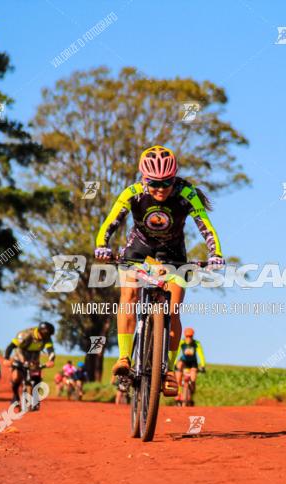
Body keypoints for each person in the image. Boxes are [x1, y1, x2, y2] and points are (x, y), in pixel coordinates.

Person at [94, 145, 224, 395]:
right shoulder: (132, 193)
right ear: (144, 178)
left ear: (174, 178)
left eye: (166, 183)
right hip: (139, 249)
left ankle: (168, 371)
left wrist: (215, 254)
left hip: (173, 253)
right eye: (154, 183)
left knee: (173, 309)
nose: (160, 189)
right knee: (129, 296)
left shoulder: (186, 194)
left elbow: (205, 226)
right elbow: (110, 222)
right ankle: (123, 358)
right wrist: (102, 246)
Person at [4, 322, 56, 409]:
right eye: (45, 336)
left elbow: (50, 350)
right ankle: (16, 396)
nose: (46, 338)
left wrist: (51, 360)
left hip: (34, 358)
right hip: (20, 356)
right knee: (16, 377)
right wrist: (6, 358)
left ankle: (35, 398)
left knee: (36, 376)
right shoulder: (25, 334)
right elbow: (11, 346)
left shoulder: (47, 338)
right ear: (40, 332)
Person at [175, 328, 206, 405]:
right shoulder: (182, 342)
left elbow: (201, 354)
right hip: (184, 361)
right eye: (187, 336)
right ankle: (178, 393)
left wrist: (202, 365)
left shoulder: (196, 343)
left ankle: (191, 393)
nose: (188, 338)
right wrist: (174, 363)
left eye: (190, 336)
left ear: (192, 336)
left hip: (193, 363)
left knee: (193, 379)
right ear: (185, 336)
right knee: (178, 369)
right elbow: (177, 352)